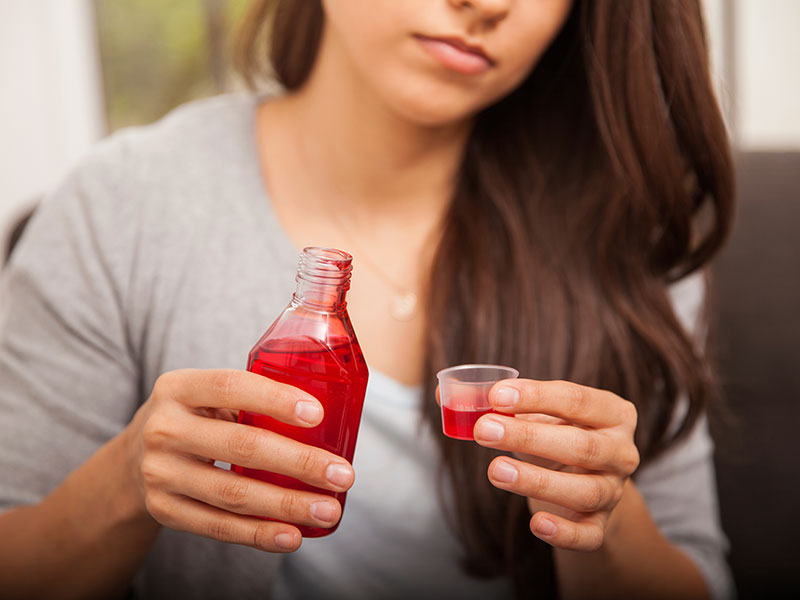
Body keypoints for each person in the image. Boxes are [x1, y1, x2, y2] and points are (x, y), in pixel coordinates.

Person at [0, 0, 734, 598]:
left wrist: (598, 518)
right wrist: (129, 482)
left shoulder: (630, 236)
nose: (487, 5)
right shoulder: (120, 206)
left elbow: (701, 579)